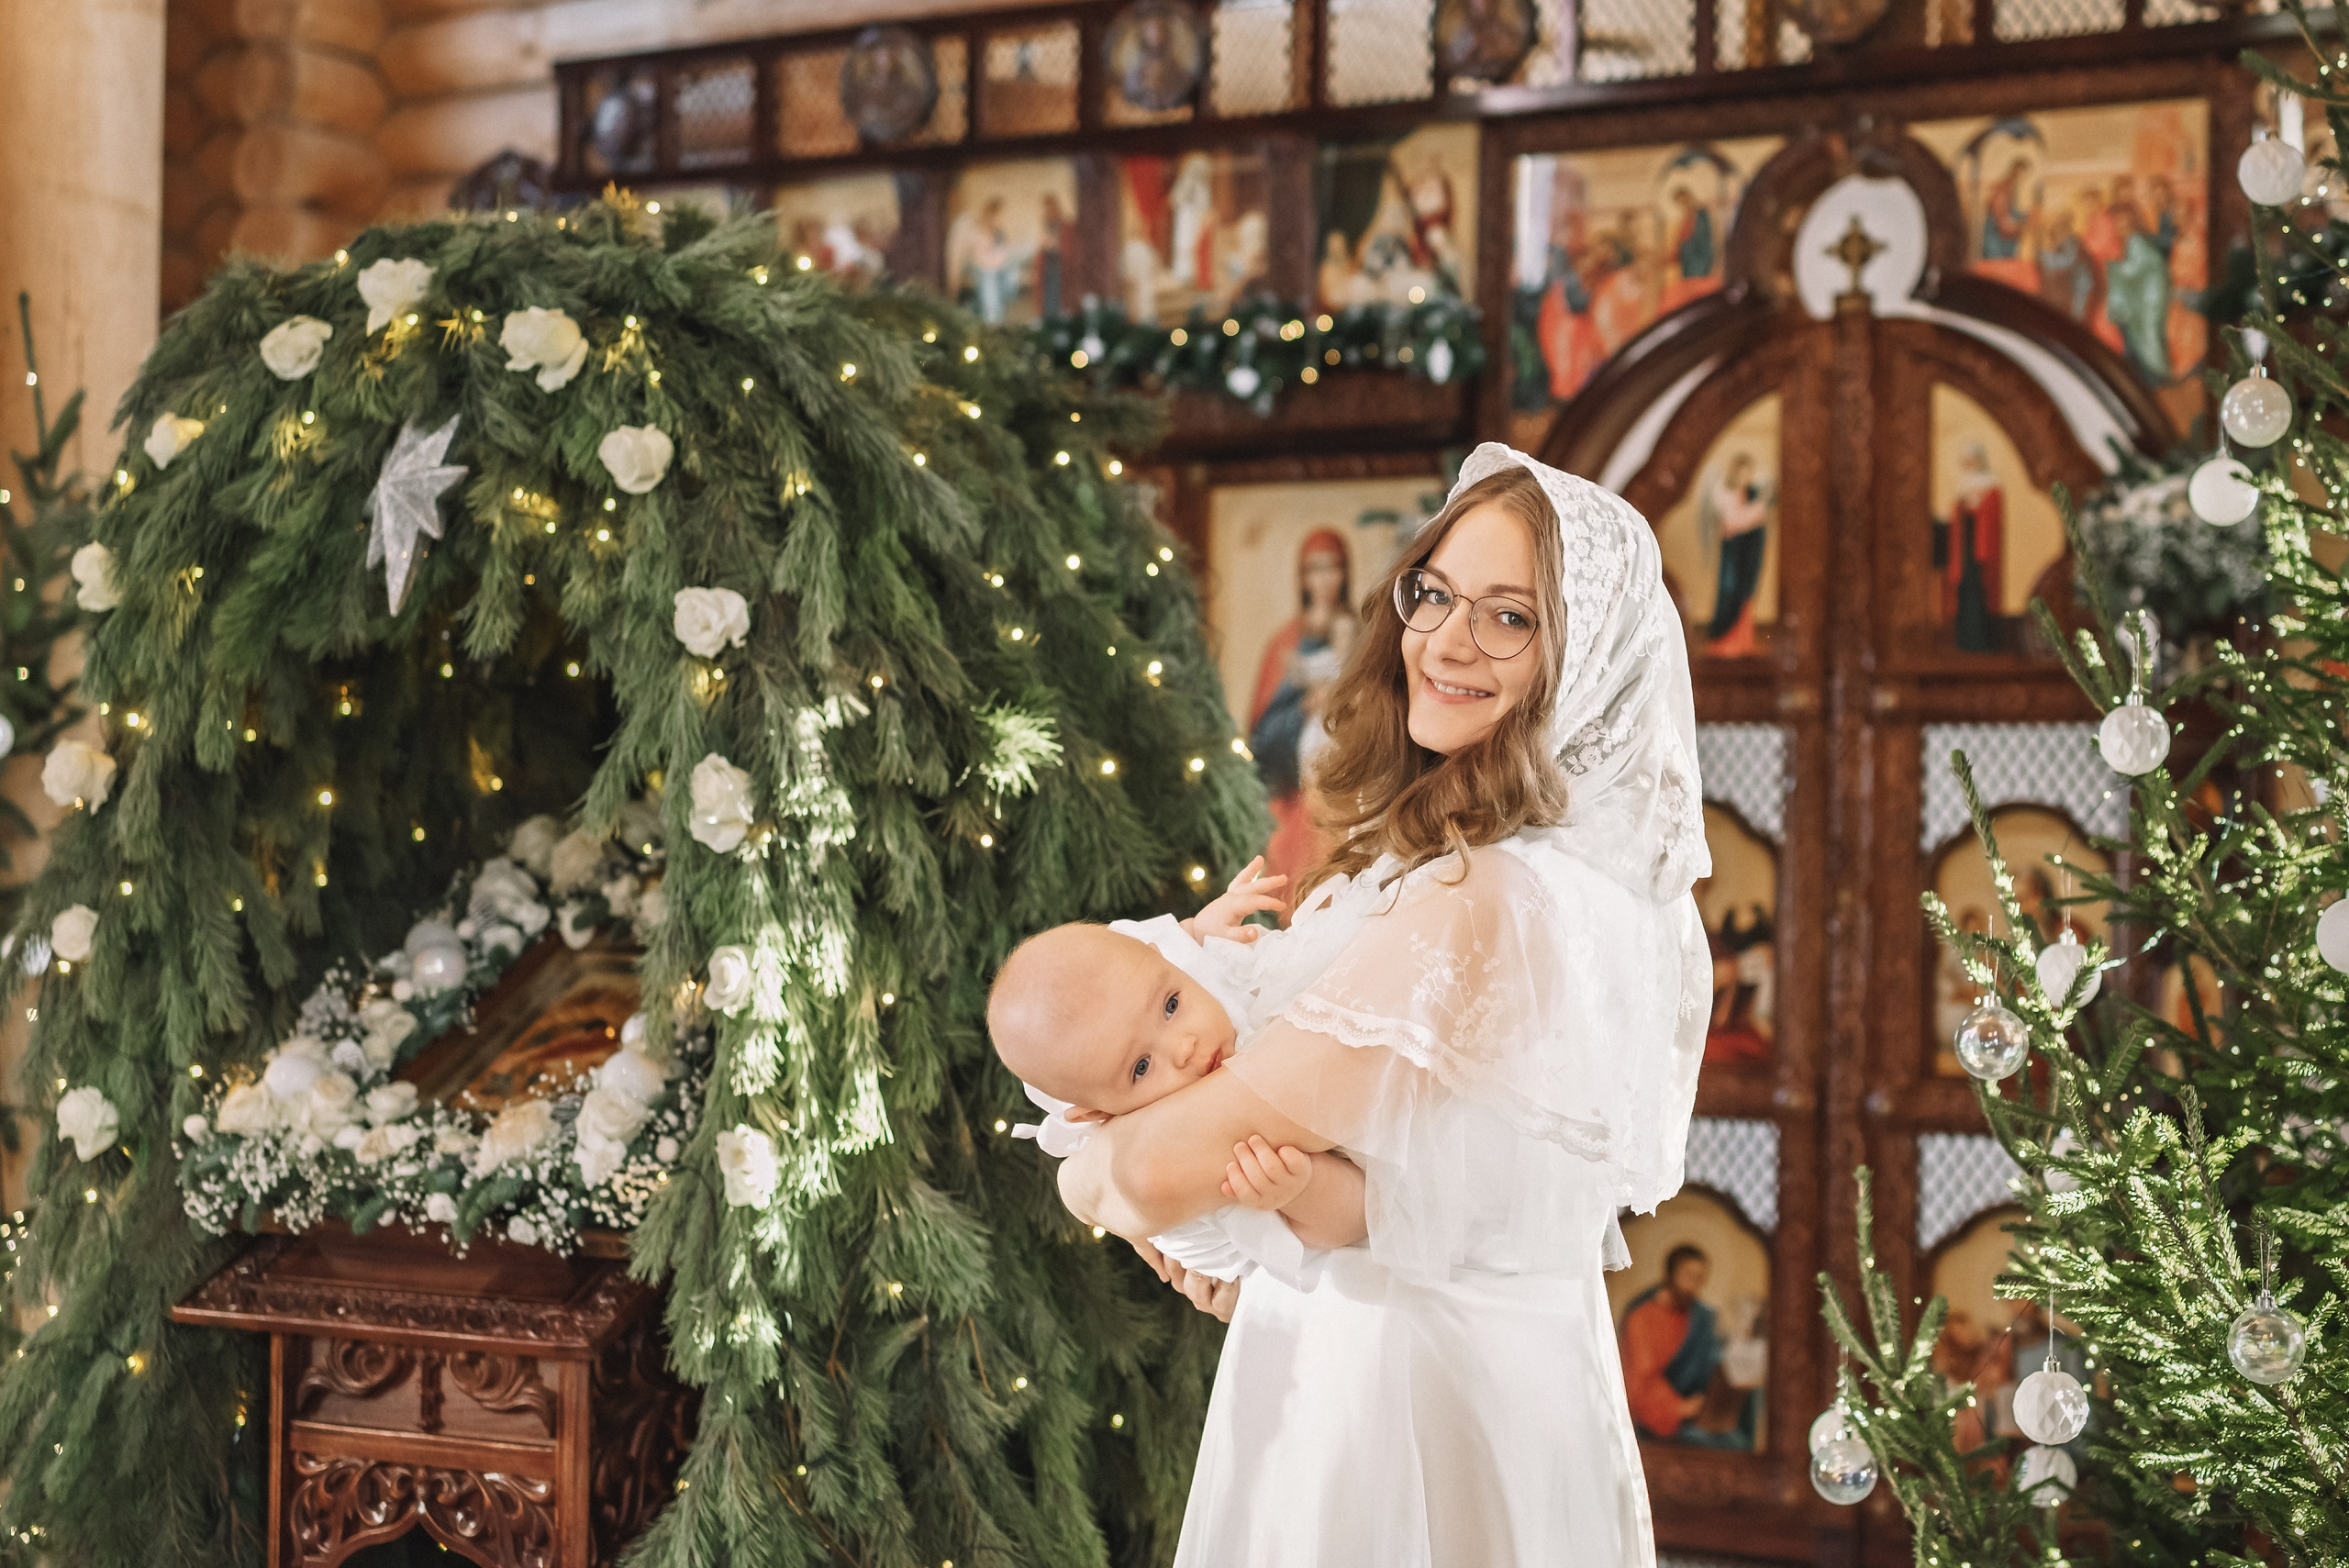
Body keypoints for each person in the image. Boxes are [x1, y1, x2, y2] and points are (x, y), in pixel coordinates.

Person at [1056, 443, 1711, 1565]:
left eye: (1510, 617)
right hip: (1448, 1374)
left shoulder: (1483, 896)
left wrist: (1090, 1168)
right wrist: (1258, 1231)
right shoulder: (1527, 878)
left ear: (1587, 663)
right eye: (1435, 593)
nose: (1447, 640)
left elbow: (1146, 1172)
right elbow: (1441, 1189)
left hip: (1396, 1406)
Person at [987, 859, 1365, 1285]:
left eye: (1170, 1005)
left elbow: (1162, 953)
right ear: (1098, 1114)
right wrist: (1302, 1190)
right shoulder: (1194, 1165)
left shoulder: (1193, 980)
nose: (1184, 1047)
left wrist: (1199, 931)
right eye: (1141, 1067)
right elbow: (1358, 1225)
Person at [1248, 529, 1357, 888]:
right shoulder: (1286, 642)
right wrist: (1304, 709)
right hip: (1295, 801)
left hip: (1349, 796)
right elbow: (1262, 735)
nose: (1324, 579)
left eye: (1332, 567)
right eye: (1314, 569)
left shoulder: (1362, 636)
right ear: (1302, 577)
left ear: (1345, 573)